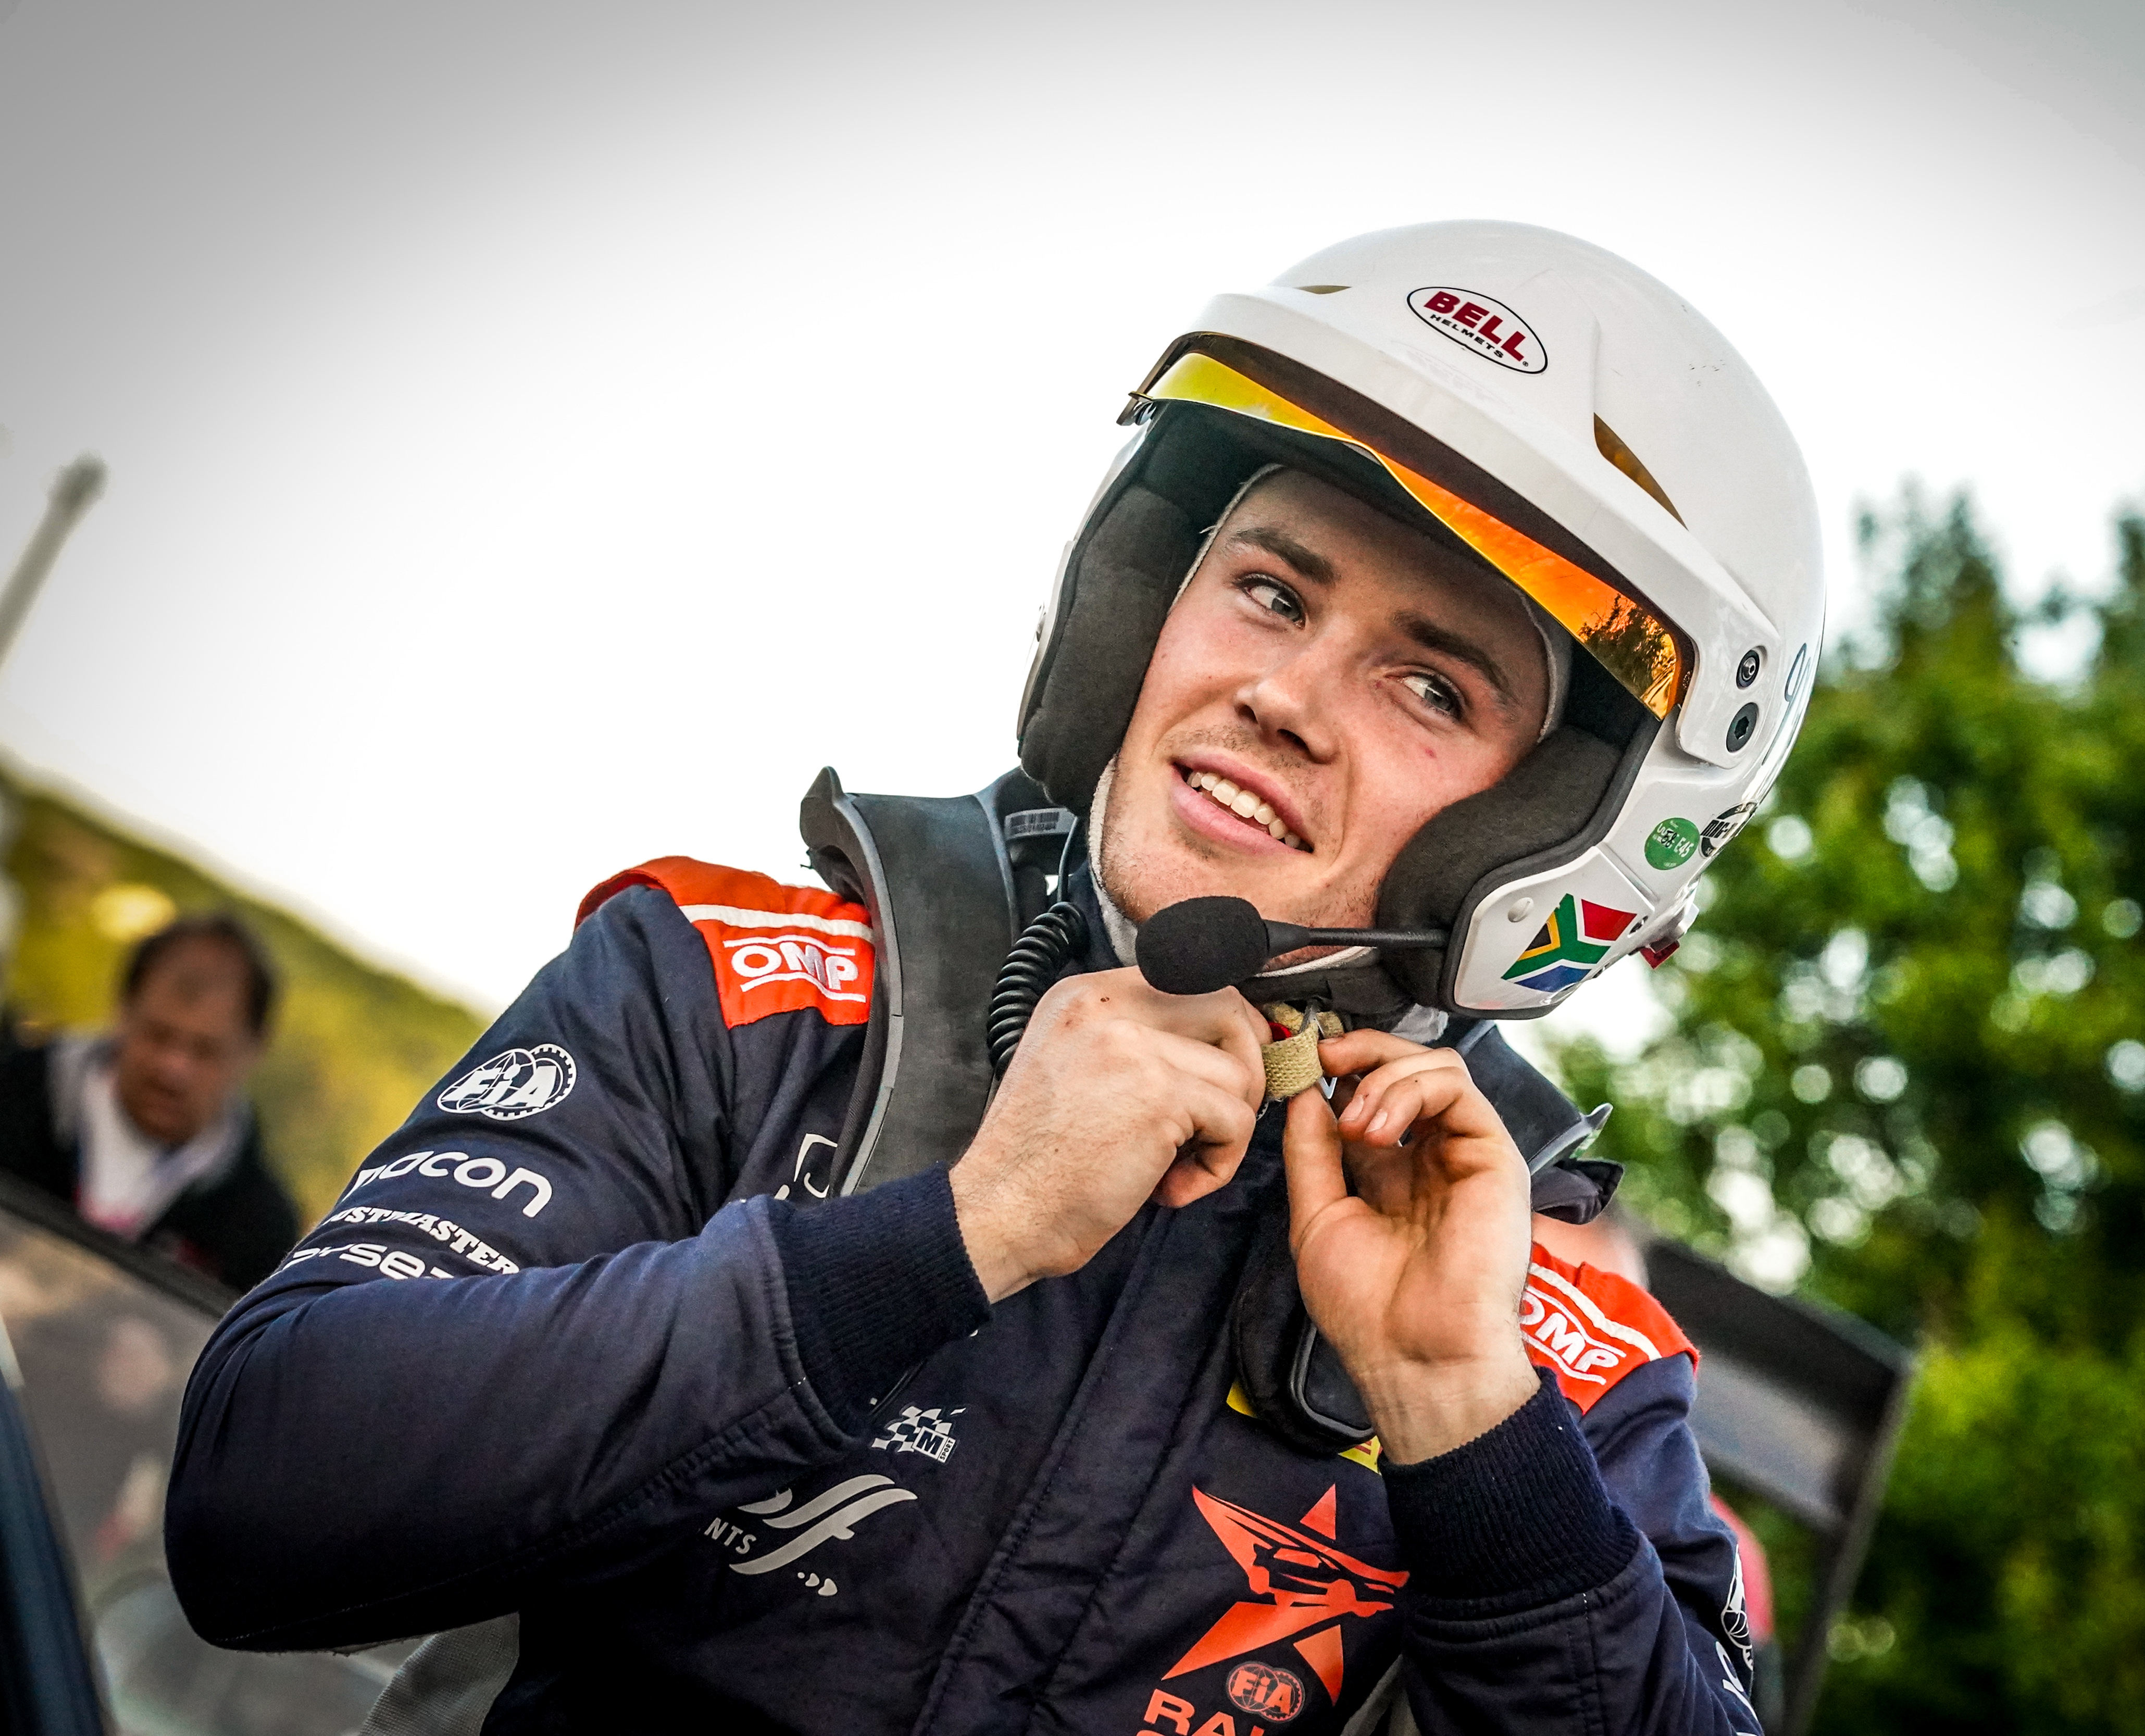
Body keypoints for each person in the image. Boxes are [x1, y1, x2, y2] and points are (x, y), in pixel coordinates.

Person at [166, 221, 1825, 1734]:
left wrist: (1470, 1423)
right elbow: (259, 1496)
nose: (1285, 696)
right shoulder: (738, 999)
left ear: (1565, 838)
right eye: (1269, 590)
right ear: (1133, 604)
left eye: (1430, 686)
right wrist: (945, 1239)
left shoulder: (1564, 1354)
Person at [0, 912, 302, 1291]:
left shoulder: (263, 1229)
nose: (173, 1069)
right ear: (123, 1009)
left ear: (254, 1050)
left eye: (206, 1051)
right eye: (158, 1035)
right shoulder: (12, 1090)